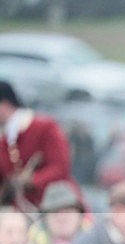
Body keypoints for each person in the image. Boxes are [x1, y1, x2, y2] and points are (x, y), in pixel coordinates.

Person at [0, 81, 79, 210]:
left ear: (5, 105)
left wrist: (31, 180)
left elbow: (60, 167)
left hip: (57, 204)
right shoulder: (4, 140)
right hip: (20, 209)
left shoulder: (45, 127)